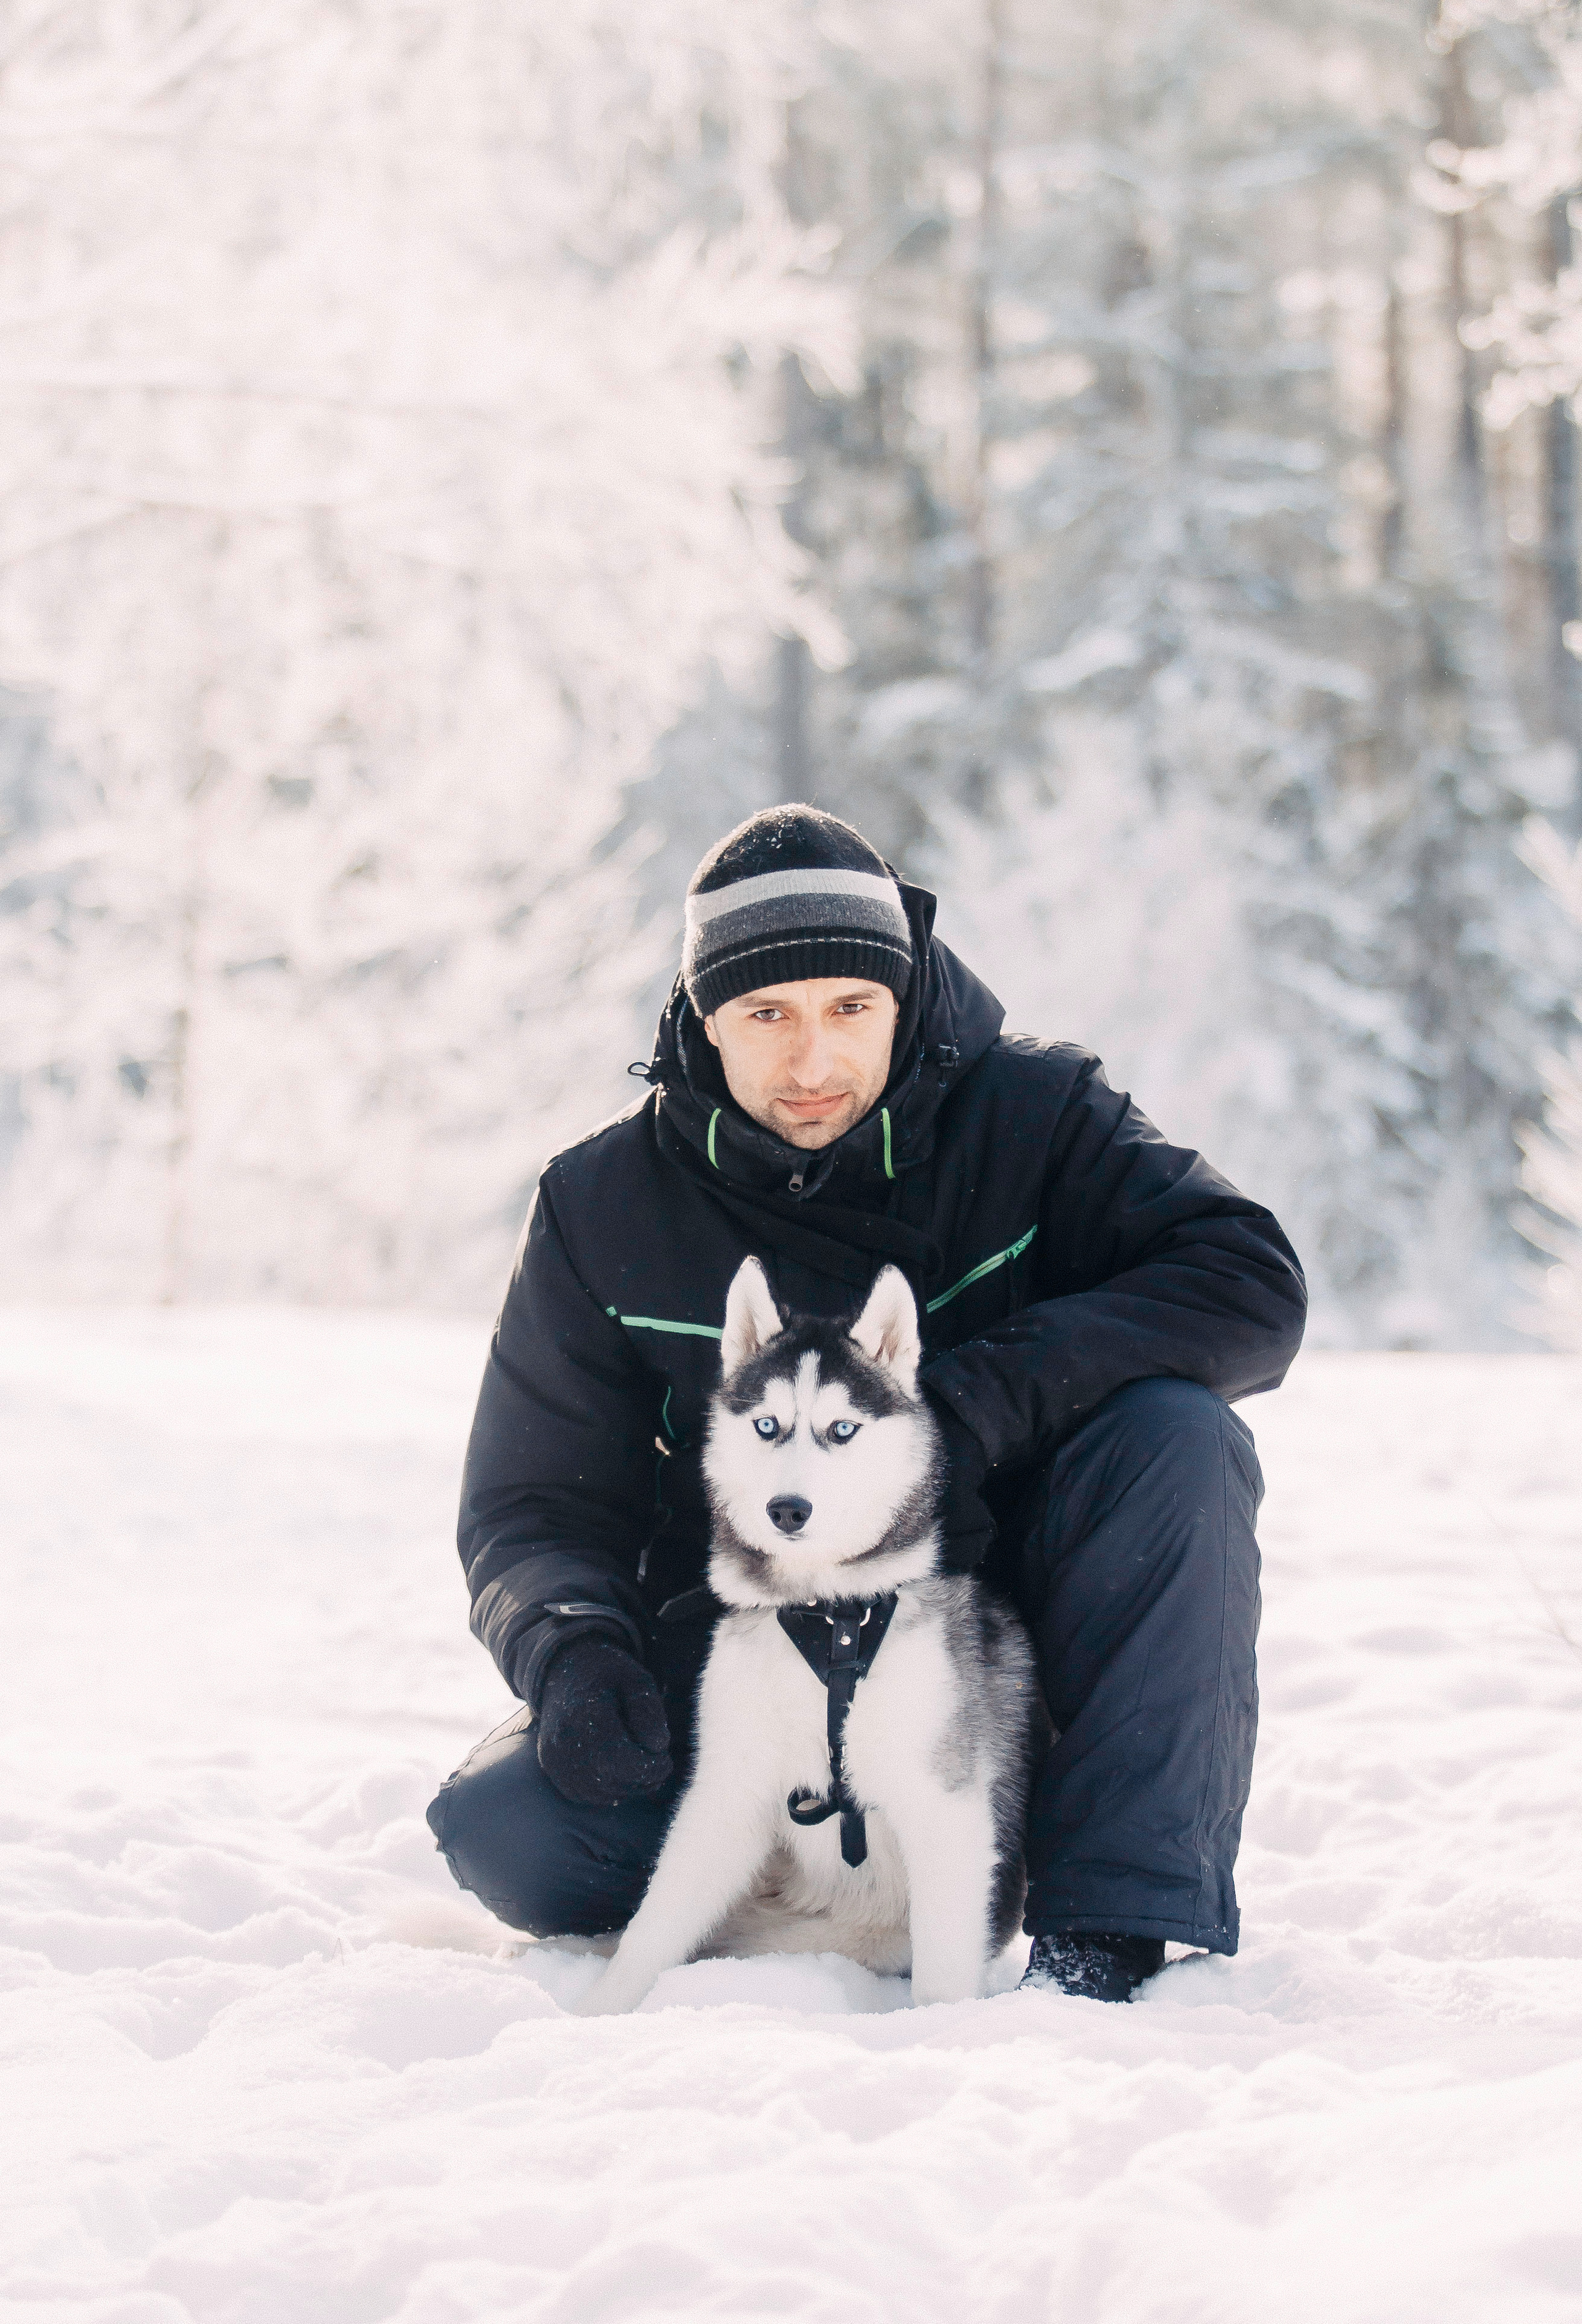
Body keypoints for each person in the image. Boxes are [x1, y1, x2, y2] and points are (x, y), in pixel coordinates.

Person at [428, 805, 1306, 2002]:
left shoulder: (1036, 1117)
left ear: (905, 993)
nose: (810, 1063)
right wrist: (572, 1649)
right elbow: (529, 1500)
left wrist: (974, 1395)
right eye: (765, 1017)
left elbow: (1248, 1281)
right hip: (745, 1661)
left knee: (1177, 1436)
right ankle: (804, 1898)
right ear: (703, 1018)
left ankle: (1101, 1913)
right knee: (513, 1835)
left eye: (850, 1009)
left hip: (1005, 1660)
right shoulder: (604, 1203)